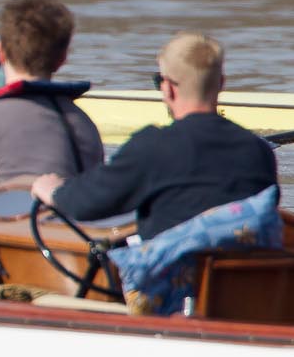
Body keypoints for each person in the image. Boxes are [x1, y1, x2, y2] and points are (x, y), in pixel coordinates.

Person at [36, 32, 276, 242]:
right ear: (221, 83)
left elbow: (85, 204)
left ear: (168, 88)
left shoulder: (152, 147)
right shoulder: (259, 151)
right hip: (249, 288)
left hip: (175, 288)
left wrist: (53, 191)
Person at [0, 0, 104, 201]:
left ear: (0, 52)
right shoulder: (84, 123)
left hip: (17, 231)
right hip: (74, 231)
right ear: (63, 58)